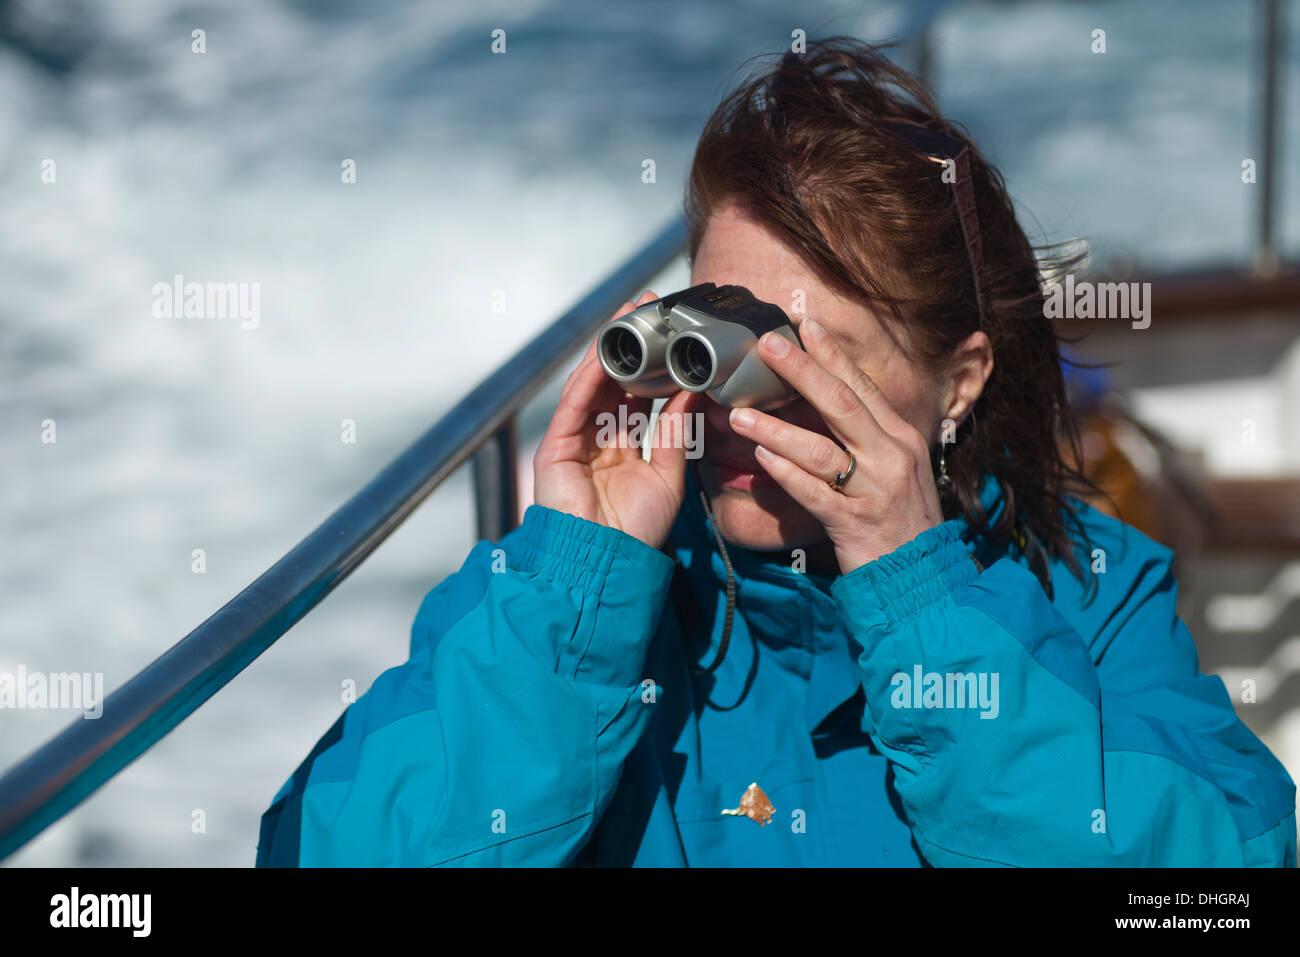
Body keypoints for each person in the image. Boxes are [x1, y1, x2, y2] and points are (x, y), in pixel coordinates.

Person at [255, 38, 1296, 867]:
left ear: (960, 382)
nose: (746, 401)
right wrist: (575, 601)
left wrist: (920, 604)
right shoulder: (571, 611)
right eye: (729, 339)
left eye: (821, 358)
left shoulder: (1088, 593)